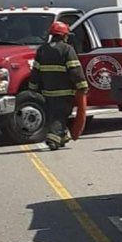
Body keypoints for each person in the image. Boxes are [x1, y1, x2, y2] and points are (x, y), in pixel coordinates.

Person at [29, 21, 88, 150]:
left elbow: (36, 71)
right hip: (65, 92)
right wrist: (82, 85)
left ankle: (62, 137)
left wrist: (33, 88)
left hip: (48, 92)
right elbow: (74, 70)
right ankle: (53, 139)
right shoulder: (67, 49)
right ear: (64, 36)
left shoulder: (42, 50)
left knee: (54, 115)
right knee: (61, 115)